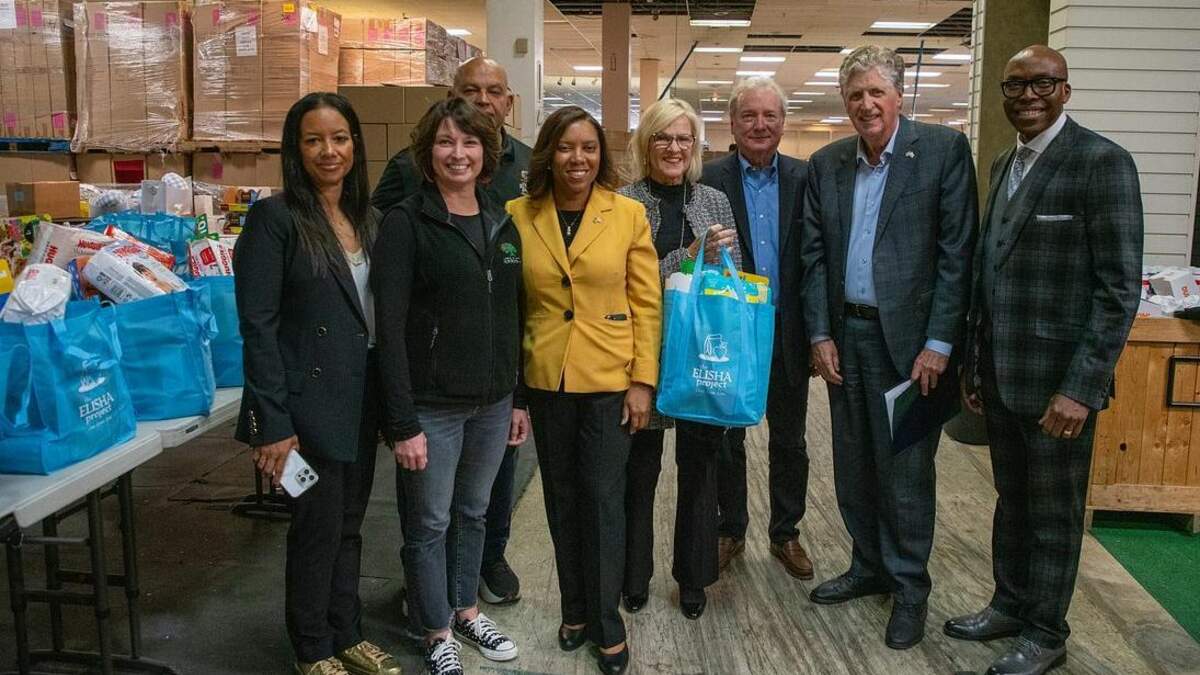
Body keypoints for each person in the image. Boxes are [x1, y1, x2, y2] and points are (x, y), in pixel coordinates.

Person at [945, 45, 1142, 675]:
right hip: (1004, 375)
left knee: (1054, 514)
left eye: (1042, 84)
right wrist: (975, 365)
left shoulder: (1102, 162)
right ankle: (1009, 604)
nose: (1028, 96)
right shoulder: (1005, 162)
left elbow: (1118, 291)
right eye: (1015, 85)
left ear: (1065, 90)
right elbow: (989, 271)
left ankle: (1046, 632)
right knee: (1012, 502)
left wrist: (1081, 388)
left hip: (1060, 386)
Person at [800, 45, 977, 649]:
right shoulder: (827, 163)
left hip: (911, 346)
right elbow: (813, 257)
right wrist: (820, 333)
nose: (866, 104)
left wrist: (940, 342)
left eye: (876, 91)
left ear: (899, 96)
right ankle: (868, 565)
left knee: (905, 470)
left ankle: (908, 588)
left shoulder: (943, 152)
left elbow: (956, 255)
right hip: (845, 339)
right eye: (855, 95)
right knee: (852, 461)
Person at [234, 92, 400, 675]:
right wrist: (271, 425)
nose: (329, 151)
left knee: (349, 526)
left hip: (358, 399)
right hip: (303, 412)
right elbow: (258, 328)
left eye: (339, 138)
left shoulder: (368, 220)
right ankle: (312, 648)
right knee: (315, 529)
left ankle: (347, 633)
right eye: (313, 140)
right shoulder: (275, 220)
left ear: (355, 145)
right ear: (295, 149)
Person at [371, 97, 526, 675]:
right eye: (445, 141)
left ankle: (465, 610)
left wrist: (518, 397)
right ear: (427, 151)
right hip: (431, 408)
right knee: (429, 523)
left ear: (487, 152)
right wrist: (401, 422)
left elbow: (514, 313)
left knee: (473, 513)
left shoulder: (501, 219)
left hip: (493, 402)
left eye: (469, 142)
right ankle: (434, 629)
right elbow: (388, 329)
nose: (457, 153)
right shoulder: (406, 222)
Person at [506, 105, 661, 675]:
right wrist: (516, 392)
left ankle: (606, 623)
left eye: (589, 148)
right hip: (546, 377)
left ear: (601, 155)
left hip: (609, 380)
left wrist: (642, 381)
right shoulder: (517, 214)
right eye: (567, 147)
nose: (579, 158)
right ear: (548, 154)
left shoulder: (627, 214)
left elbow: (647, 303)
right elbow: (513, 303)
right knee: (561, 498)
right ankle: (574, 610)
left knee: (602, 501)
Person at [617, 98, 742, 620]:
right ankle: (633, 576)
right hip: (642, 354)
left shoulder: (714, 201)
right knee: (638, 470)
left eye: (683, 138)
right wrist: (687, 258)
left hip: (701, 355)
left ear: (696, 146)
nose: (674, 148)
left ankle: (693, 577)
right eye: (663, 138)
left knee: (700, 469)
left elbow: (733, 277)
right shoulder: (624, 203)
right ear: (645, 144)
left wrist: (718, 260)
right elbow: (622, 280)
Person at [699, 77, 813, 580]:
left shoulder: (805, 177)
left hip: (787, 331)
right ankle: (731, 528)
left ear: (783, 122)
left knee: (790, 439)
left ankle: (785, 532)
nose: (760, 125)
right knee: (728, 437)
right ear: (732, 123)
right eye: (749, 115)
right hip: (730, 330)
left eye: (770, 115)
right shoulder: (708, 177)